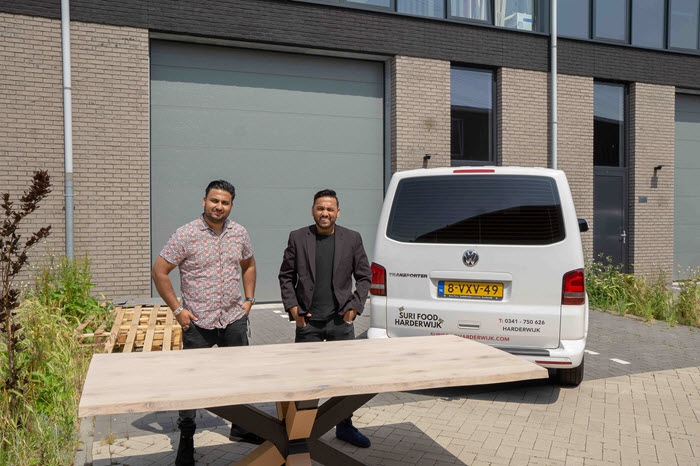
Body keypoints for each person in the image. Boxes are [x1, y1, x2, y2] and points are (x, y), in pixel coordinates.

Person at [152, 180, 262, 466]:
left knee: (239, 376)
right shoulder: (186, 234)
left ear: (231, 205)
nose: (219, 206)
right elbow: (160, 271)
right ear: (204, 201)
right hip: (198, 322)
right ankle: (186, 440)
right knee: (191, 384)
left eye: (224, 202)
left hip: (233, 319)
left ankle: (241, 426)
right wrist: (178, 310)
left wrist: (249, 300)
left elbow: (248, 265)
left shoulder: (239, 233)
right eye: (214, 200)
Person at [278, 188, 372, 448]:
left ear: (338, 212)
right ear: (313, 210)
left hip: (341, 320)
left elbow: (364, 276)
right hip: (308, 321)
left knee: (343, 378)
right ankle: (301, 431)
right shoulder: (298, 238)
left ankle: (345, 426)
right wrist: (293, 309)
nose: (325, 213)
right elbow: (286, 276)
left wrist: (355, 306)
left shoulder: (352, 239)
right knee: (306, 378)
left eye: (330, 209)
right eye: (320, 208)